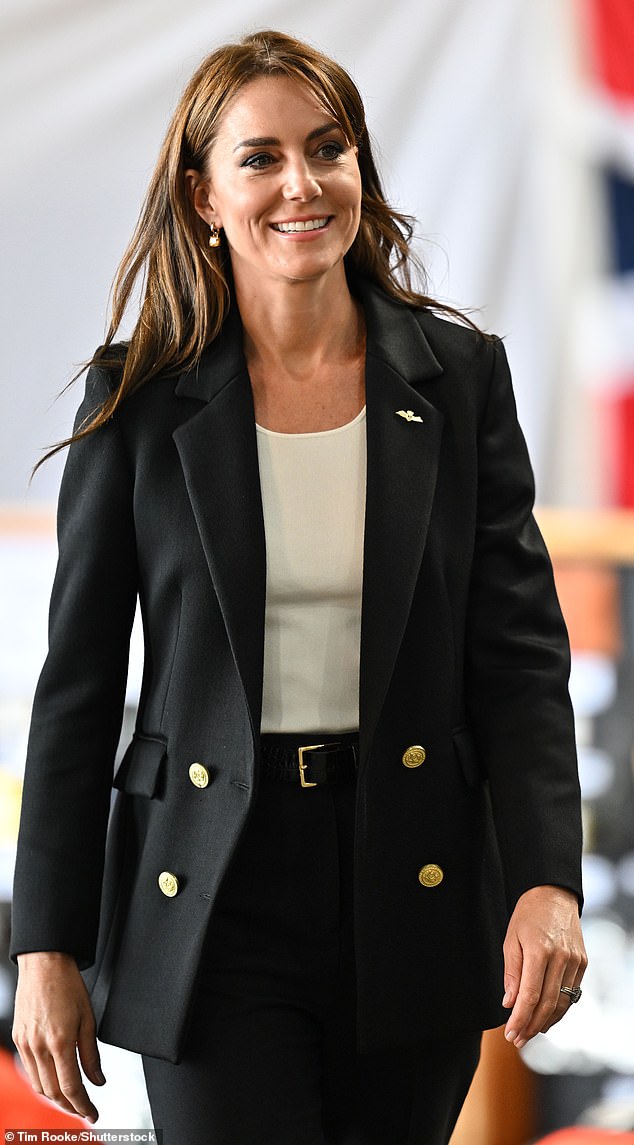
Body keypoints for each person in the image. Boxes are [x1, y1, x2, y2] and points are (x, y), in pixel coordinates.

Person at [10, 29, 586, 1145]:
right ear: (205, 195)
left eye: (328, 148)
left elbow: (518, 661)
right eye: (260, 157)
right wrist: (46, 944)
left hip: (411, 877)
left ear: (361, 168)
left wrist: (545, 880)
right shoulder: (137, 400)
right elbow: (76, 686)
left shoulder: (458, 380)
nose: (301, 184)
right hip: (211, 889)